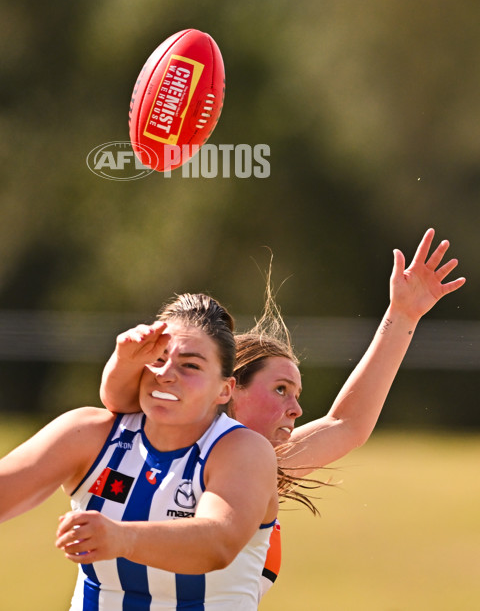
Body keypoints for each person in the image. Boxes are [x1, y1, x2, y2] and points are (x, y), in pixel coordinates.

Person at [99, 228, 466, 595]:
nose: (296, 409)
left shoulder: (258, 466)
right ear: (228, 391)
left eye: (295, 393)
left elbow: (347, 423)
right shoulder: (153, 450)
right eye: (280, 390)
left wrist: (403, 315)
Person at [0, 294, 279, 609]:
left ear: (225, 390)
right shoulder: (94, 433)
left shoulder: (241, 448)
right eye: (158, 360)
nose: (167, 374)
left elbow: (218, 542)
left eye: (190, 365)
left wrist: (121, 538)